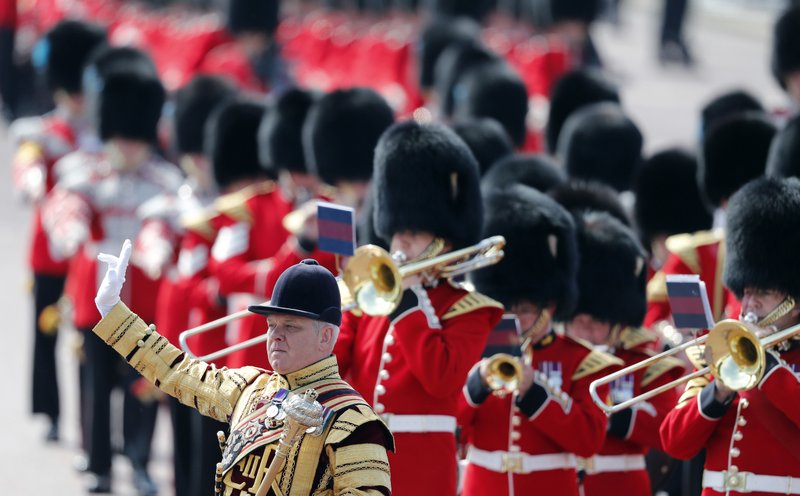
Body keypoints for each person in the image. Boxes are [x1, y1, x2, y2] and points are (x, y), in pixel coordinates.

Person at [92, 243, 394, 495]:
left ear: (325, 336)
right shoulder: (251, 387)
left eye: (290, 326)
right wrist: (114, 312)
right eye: (272, 325)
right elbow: (177, 373)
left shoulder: (355, 423)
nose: (276, 335)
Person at [334, 120, 504, 496]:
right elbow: (333, 362)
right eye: (397, 231)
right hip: (357, 459)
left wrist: (408, 303)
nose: (401, 243)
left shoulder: (469, 310)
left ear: (444, 241)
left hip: (422, 468)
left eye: (414, 232)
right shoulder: (369, 301)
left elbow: (441, 378)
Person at [41, 65, 181, 494]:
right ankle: (98, 460)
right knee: (96, 382)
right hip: (95, 296)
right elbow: (68, 206)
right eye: (122, 138)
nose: (129, 147)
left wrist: (157, 249)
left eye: (135, 139)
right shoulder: (86, 172)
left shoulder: (163, 180)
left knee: (142, 382)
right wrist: (72, 231)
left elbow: (162, 222)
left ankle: (138, 460)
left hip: (143, 296)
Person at [459, 184, 622, 496]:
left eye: (525, 310)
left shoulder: (583, 362)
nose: (515, 320)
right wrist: (476, 386)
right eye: (507, 308)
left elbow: (588, 441)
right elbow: (452, 425)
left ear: (550, 305)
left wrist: (535, 393)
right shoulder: (477, 351)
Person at [660, 176, 800, 495]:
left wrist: (769, 370)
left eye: (763, 292)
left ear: (795, 303)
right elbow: (675, 442)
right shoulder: (726, 352)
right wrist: (719, 390)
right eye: (746, 292)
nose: (749, 304)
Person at [8, 19, 106, 442]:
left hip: (88, 252)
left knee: (89, 340)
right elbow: (27, 161)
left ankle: (90, 425)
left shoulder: (103, 134)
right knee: (45, 333)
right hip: (49, 249)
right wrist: (30, 181)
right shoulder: (45, 132)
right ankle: (49, 411)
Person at [562, 211, 684, 495]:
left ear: (618, 323)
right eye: (579, 321)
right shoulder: (552, 355)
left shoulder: (643, 363)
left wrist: (614, 415)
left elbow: (669, 431)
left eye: (597, 322)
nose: (586, 332)